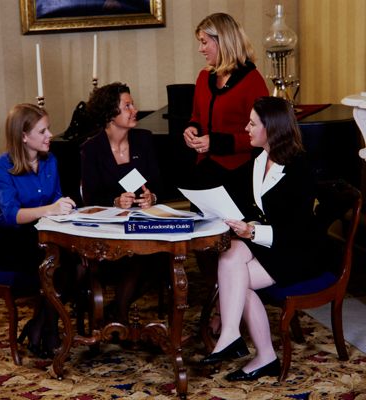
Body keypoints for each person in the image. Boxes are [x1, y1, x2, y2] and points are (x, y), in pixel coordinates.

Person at [201, 96, 328, 381]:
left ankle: (254, 349)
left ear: (271, 128)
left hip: (299, 251)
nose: (246, 128)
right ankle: (244, 342)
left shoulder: (299, 168)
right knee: (233, 255)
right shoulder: (258, 161)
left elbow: (298, 229)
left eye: (252, 123)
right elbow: (247, 204)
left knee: (235, 277)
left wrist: (253, 231)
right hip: (271, 247)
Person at [0, 103, 76, 358]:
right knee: (55, 268)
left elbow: (58, 198)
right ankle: (49, 332)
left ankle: (37, 326)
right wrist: (50, 209)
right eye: (43, 131)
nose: (50, 135)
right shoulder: (1, 166)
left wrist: (64, 208)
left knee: (77, 266)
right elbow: (11, 215)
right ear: (23, 136)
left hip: (45, 235)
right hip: (12, 241)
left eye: (48, 129)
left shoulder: (51, 161)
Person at [80, 82, 166, 324]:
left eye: (132, 104)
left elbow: (159, 185)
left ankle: (116, 310)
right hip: (110, 234)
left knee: (157, 258)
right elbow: (88, 199)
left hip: (143, 227)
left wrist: (153, 197)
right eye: (127, 106)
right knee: (135, 257)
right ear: (110, 114)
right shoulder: (91, 149)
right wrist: (115, 201)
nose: (134, 109)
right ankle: (118, 313)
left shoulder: (144, 140)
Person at [183, 12, 269, 188]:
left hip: (238, 174)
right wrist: (192, 129)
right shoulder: (203, 76)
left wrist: (215, 143)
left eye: (204, 42)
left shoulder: (252, 80)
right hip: (203, 170)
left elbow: (264, 134)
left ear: (223, 41)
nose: (200, 49)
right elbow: (196, 117)